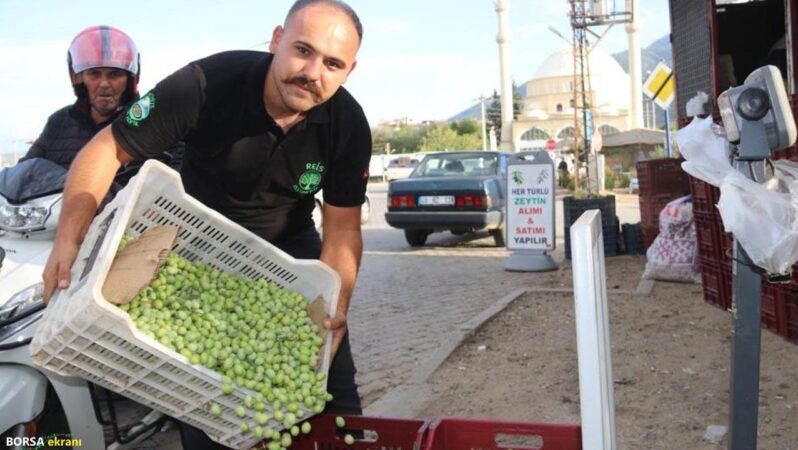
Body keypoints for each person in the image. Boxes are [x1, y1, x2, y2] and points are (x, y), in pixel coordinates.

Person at [42, 0, 369, 447]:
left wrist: (338, 303)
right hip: (199, 250)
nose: (313, 72)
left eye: (333, 64)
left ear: (349, 71)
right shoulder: (208, 83)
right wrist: (67, 239)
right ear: (276, 41)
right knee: (209, 412)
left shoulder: (347, 124)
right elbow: (107, 149)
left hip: (289, 252)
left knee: (335, 406)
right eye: (303, 50)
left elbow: (343, 230)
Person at [20, 26, 171, 186]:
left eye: (114, 74)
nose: (104, 84)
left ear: (129, 80)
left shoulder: (154, 121)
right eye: (94, 74)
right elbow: (25, 171)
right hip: (60, 211)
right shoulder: (58, 122)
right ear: (79, 79)